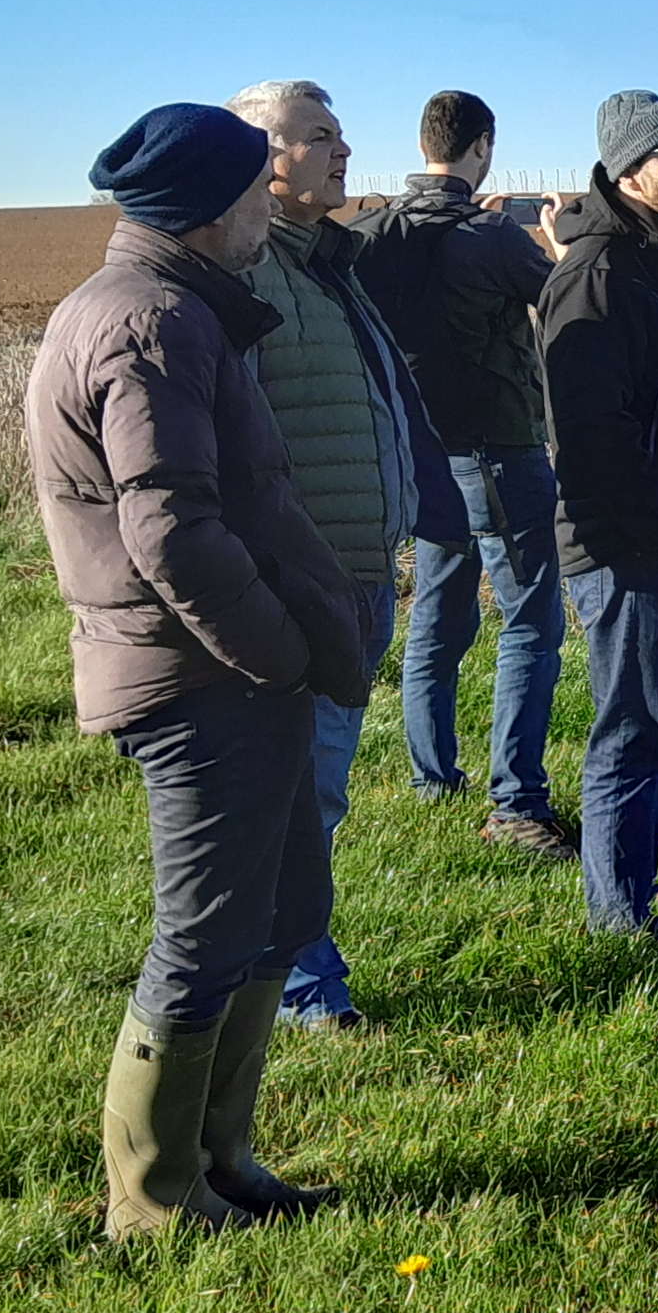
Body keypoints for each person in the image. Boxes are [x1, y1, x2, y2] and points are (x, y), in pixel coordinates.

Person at [26, 104, 367, 1238]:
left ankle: (223, 1161)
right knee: (207, 931)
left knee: (277, 911)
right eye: (258, 190)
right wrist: (274, 653)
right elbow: (170, 530)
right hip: (199, 681)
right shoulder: (151, 323)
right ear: (218, 207)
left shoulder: (170, 308)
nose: (275, 201)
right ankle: (157, 1198)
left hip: (222, 675)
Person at [224, 80, 468, 1029]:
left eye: (339, 134)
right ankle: (297, 986)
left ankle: (287, 970)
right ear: (262, 159)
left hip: (360, 572)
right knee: (298, 795)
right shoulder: (252, 273)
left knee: (316, 794)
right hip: (302, 578)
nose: (344, 150)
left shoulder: (327, 264)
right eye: (319, 136)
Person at [356, 91, 578, 860]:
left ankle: (431, 780)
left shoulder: (374, 234)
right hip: (498, 448)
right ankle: (516, 799)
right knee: (530, 623)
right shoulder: (490, 235)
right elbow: (569, 306)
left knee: (437, 612)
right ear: (482, 146)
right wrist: (555, 244)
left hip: (416, 454)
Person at [538, 88, 658, 938]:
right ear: (630, 172)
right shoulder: (596, 276)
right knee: (633, 728)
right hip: (635, 546)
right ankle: (616, 916)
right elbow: (587, 434)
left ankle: (631, 887)